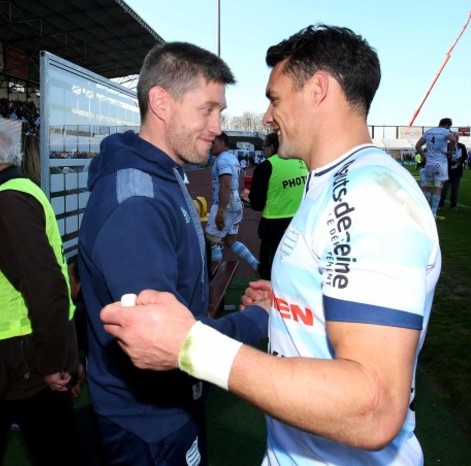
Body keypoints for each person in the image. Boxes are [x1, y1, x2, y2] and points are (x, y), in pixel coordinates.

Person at [99, 25, 441, 465]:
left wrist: (191, 346)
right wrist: (297, 303)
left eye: (275, 98)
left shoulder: (369, 195)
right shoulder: (336, 183)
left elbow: (373, 407)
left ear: (318, 90)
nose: (264, 116)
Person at [77, 42, 268, 465]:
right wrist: (260, 319)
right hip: (148, 423)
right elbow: (164, 341)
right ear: (161, 102)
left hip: (168, 406)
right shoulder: (137, 203)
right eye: (208, 109)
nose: (218, 126)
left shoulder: (164, 174)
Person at [0, 118, 84, 466]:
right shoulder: (7, 196)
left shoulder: (7, 203)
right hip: (9, 362)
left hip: (20, 363)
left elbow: (47, 288)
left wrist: (51, 364)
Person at [248, 131, 307, 279]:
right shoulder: (302, 162)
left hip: (273, 226)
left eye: (265, 146)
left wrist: (248, 196)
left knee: (270, 272)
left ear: (273, 146)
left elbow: (257, 203)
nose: (264, 150)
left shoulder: (266, 166)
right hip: (300, 223)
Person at [205, 132, 259, 270]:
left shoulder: (222, 159)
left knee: (211, 243)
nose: (210, 146)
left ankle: (212, 281)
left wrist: (221, 211)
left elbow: (225, 184)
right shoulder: (232, 158)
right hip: (236, 203)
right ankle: (256, 265)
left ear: (223, 142)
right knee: (230, 240)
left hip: (225, 203)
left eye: (213, 142)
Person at [415, 117, 456, 219]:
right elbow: (453, 139)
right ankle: (433, 213)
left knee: (427, 188)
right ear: (447, 125)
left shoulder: (428, 131)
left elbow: (417, 146)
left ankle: (425, 212)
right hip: (441, 163)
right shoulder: (445, 131)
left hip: (429, 164)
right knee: (438, 188)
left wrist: (424, 156)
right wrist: (450, 151)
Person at [438, 132, 468, 211]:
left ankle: (453, 205)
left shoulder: (462, 146)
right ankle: (441, 205)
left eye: (457, 136)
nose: (456, 137)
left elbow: (465, 156)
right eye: (455, 136)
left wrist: (459, 160)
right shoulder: (446, 145)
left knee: (455, 190)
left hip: (457, 171)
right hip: (447, 171)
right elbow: (442, 156)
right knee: (444, 190)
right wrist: (450, 159)